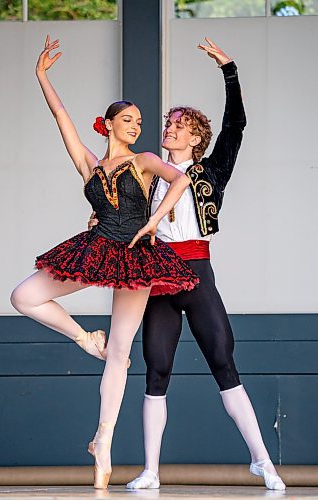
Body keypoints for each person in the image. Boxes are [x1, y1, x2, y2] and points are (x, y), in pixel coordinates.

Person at [90, 37, 286, 491]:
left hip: (196, 273)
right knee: (155, 368)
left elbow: (237, 125)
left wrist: (230, 70)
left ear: (196, 136)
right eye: (168, 123)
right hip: (156, 275)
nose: (169, 129)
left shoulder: (211, 171)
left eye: (177, 125)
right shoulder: (146, 170)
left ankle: (262, 460)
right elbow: (117, 207)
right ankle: (151, 469)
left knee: (223, 359)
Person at [10, 35, 199, 490]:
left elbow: (181, 179)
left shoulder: (146, 159)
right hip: (97, 246)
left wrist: (154, 221)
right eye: (128, 120)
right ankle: (82, 339)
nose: (136, 126)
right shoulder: (90, 166)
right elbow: (62, 120)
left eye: (139, 121)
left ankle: (103, 443)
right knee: (24, 296)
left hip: (135, 253)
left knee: (121, 352)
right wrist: (41, 76)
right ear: (109, 124)